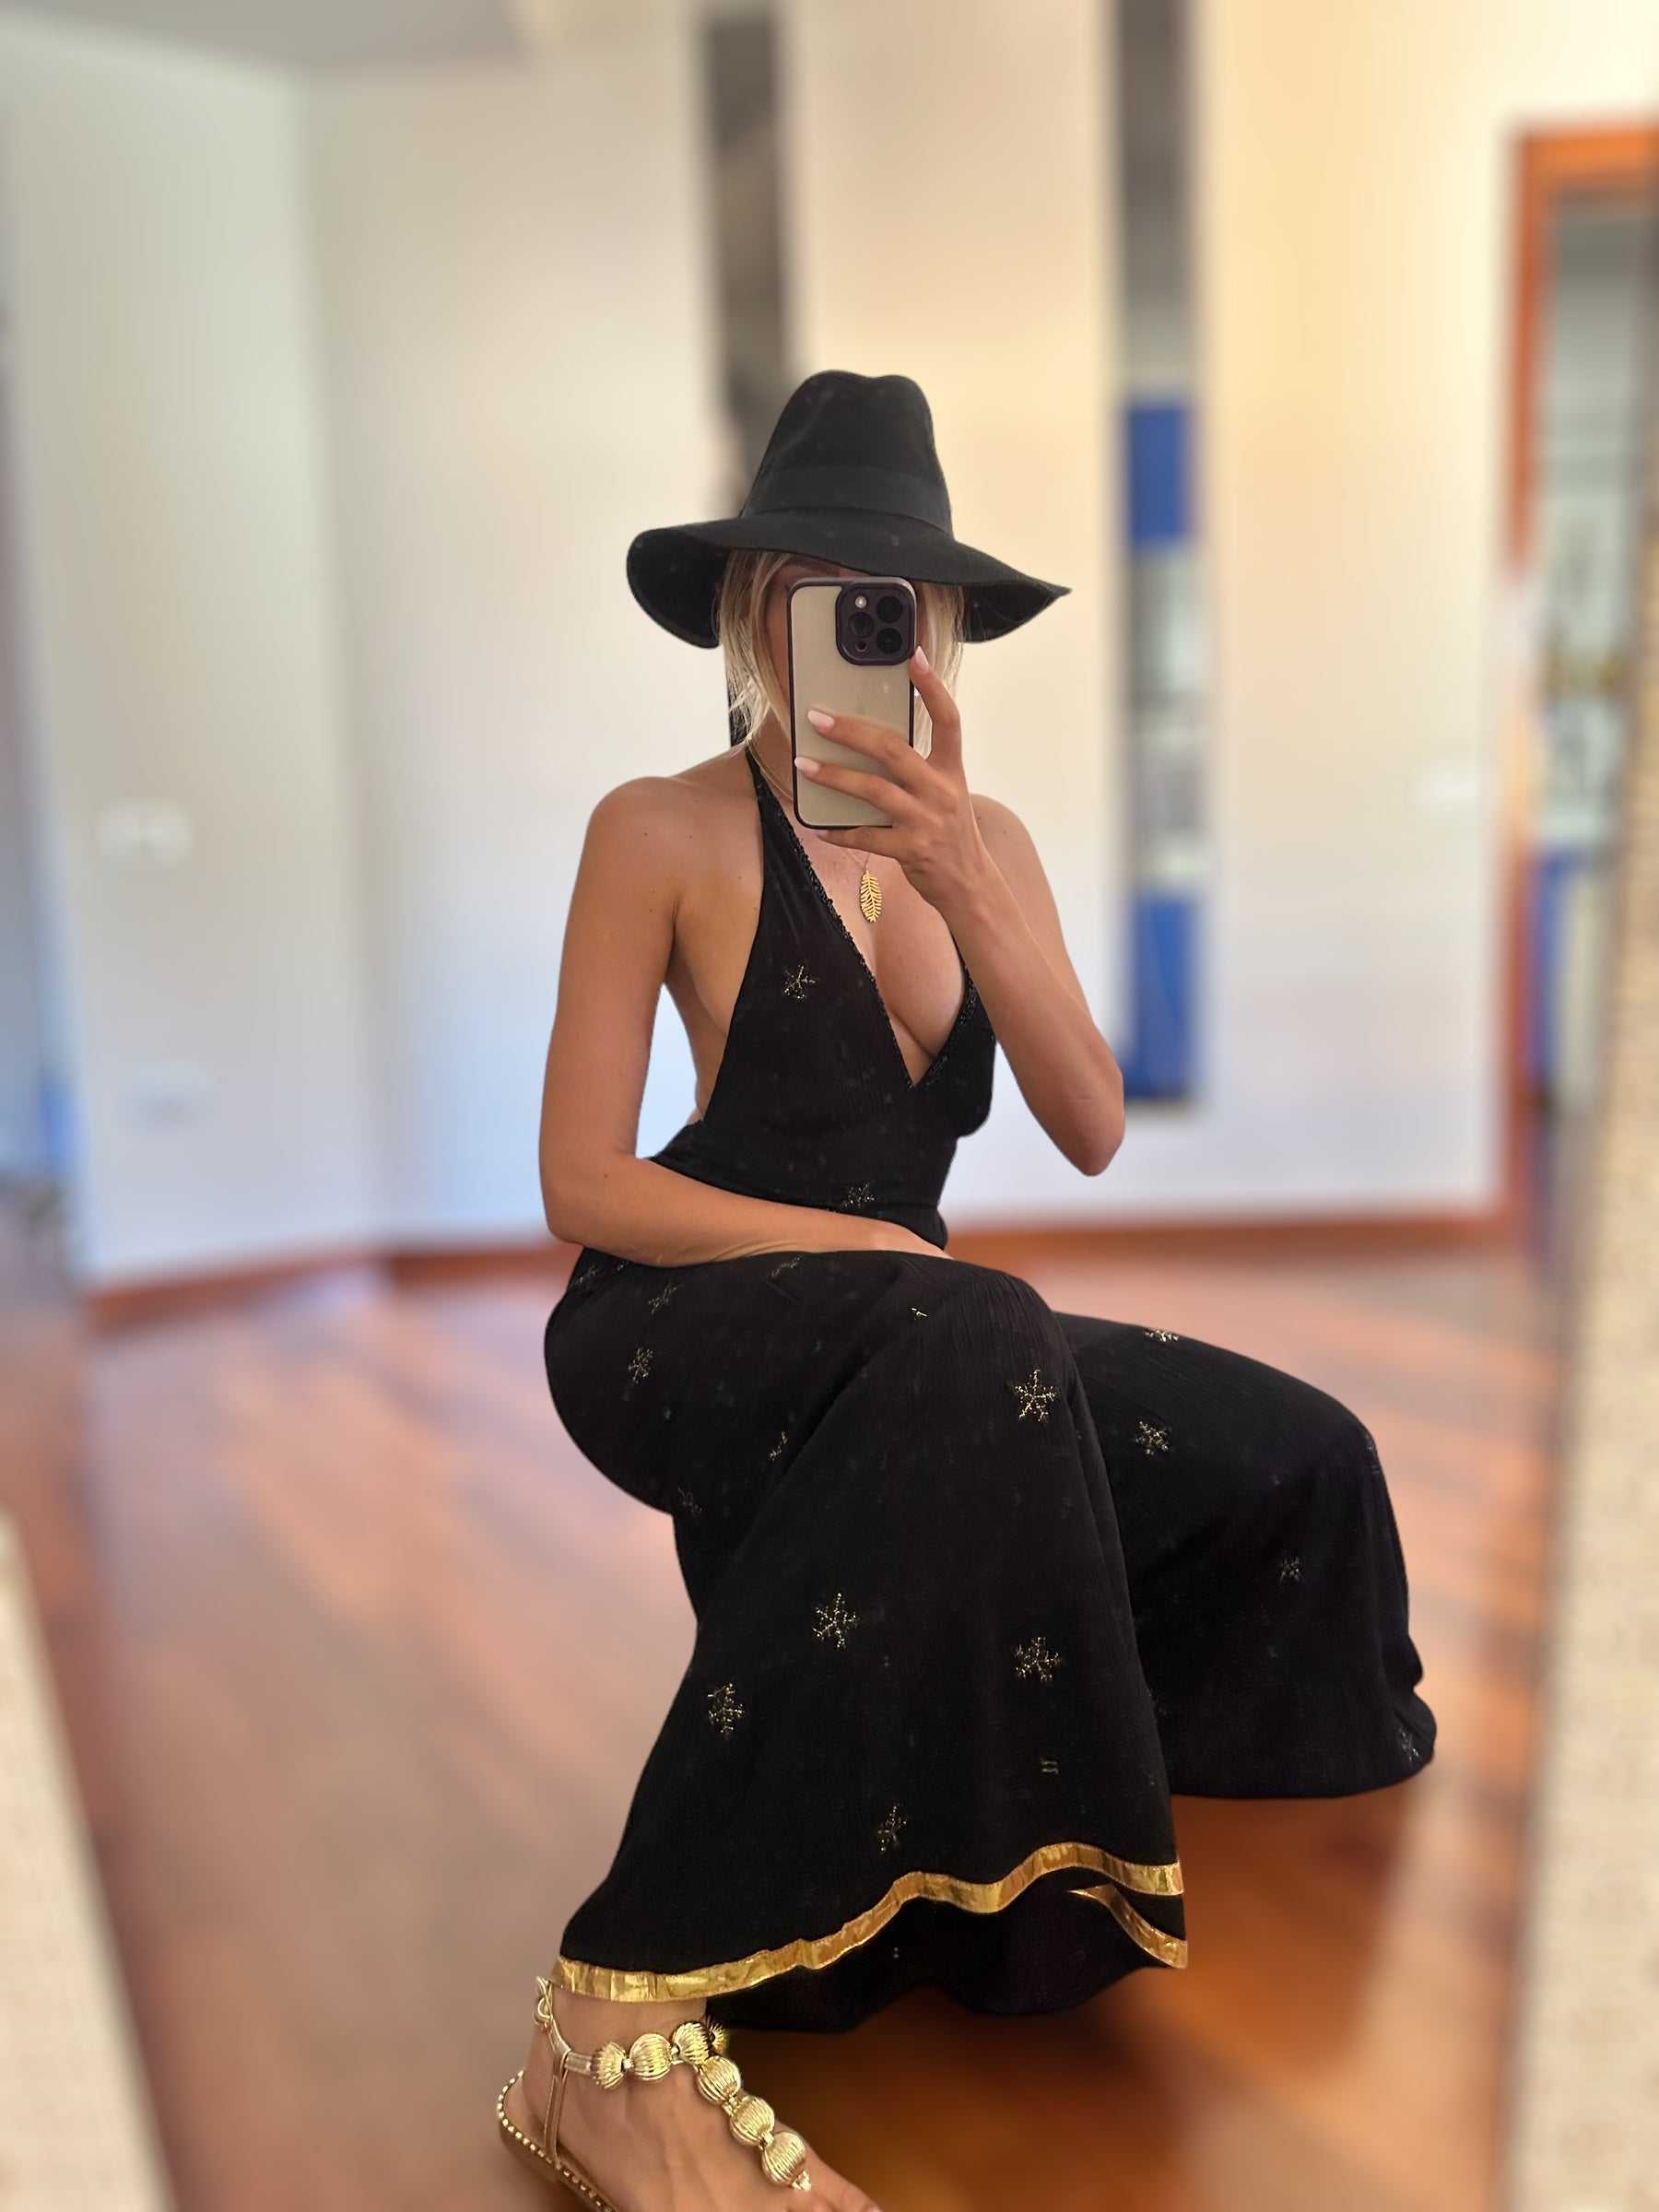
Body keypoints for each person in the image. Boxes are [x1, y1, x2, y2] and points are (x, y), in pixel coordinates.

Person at [495, 371, 1436, 2210]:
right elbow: (580, 1186)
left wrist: (964, 877)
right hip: (679, 1317)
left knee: (1303, 1455)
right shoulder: (657, 828)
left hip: (929, 1338)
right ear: (754, 610)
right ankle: (610, 2016)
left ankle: (1049, 1781)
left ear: (938, 629)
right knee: (972, 1316)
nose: (872, 630)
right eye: (826, 593)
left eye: (901, 600)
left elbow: (1090, 1124)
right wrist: (857, 1248)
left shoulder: (983, 847)